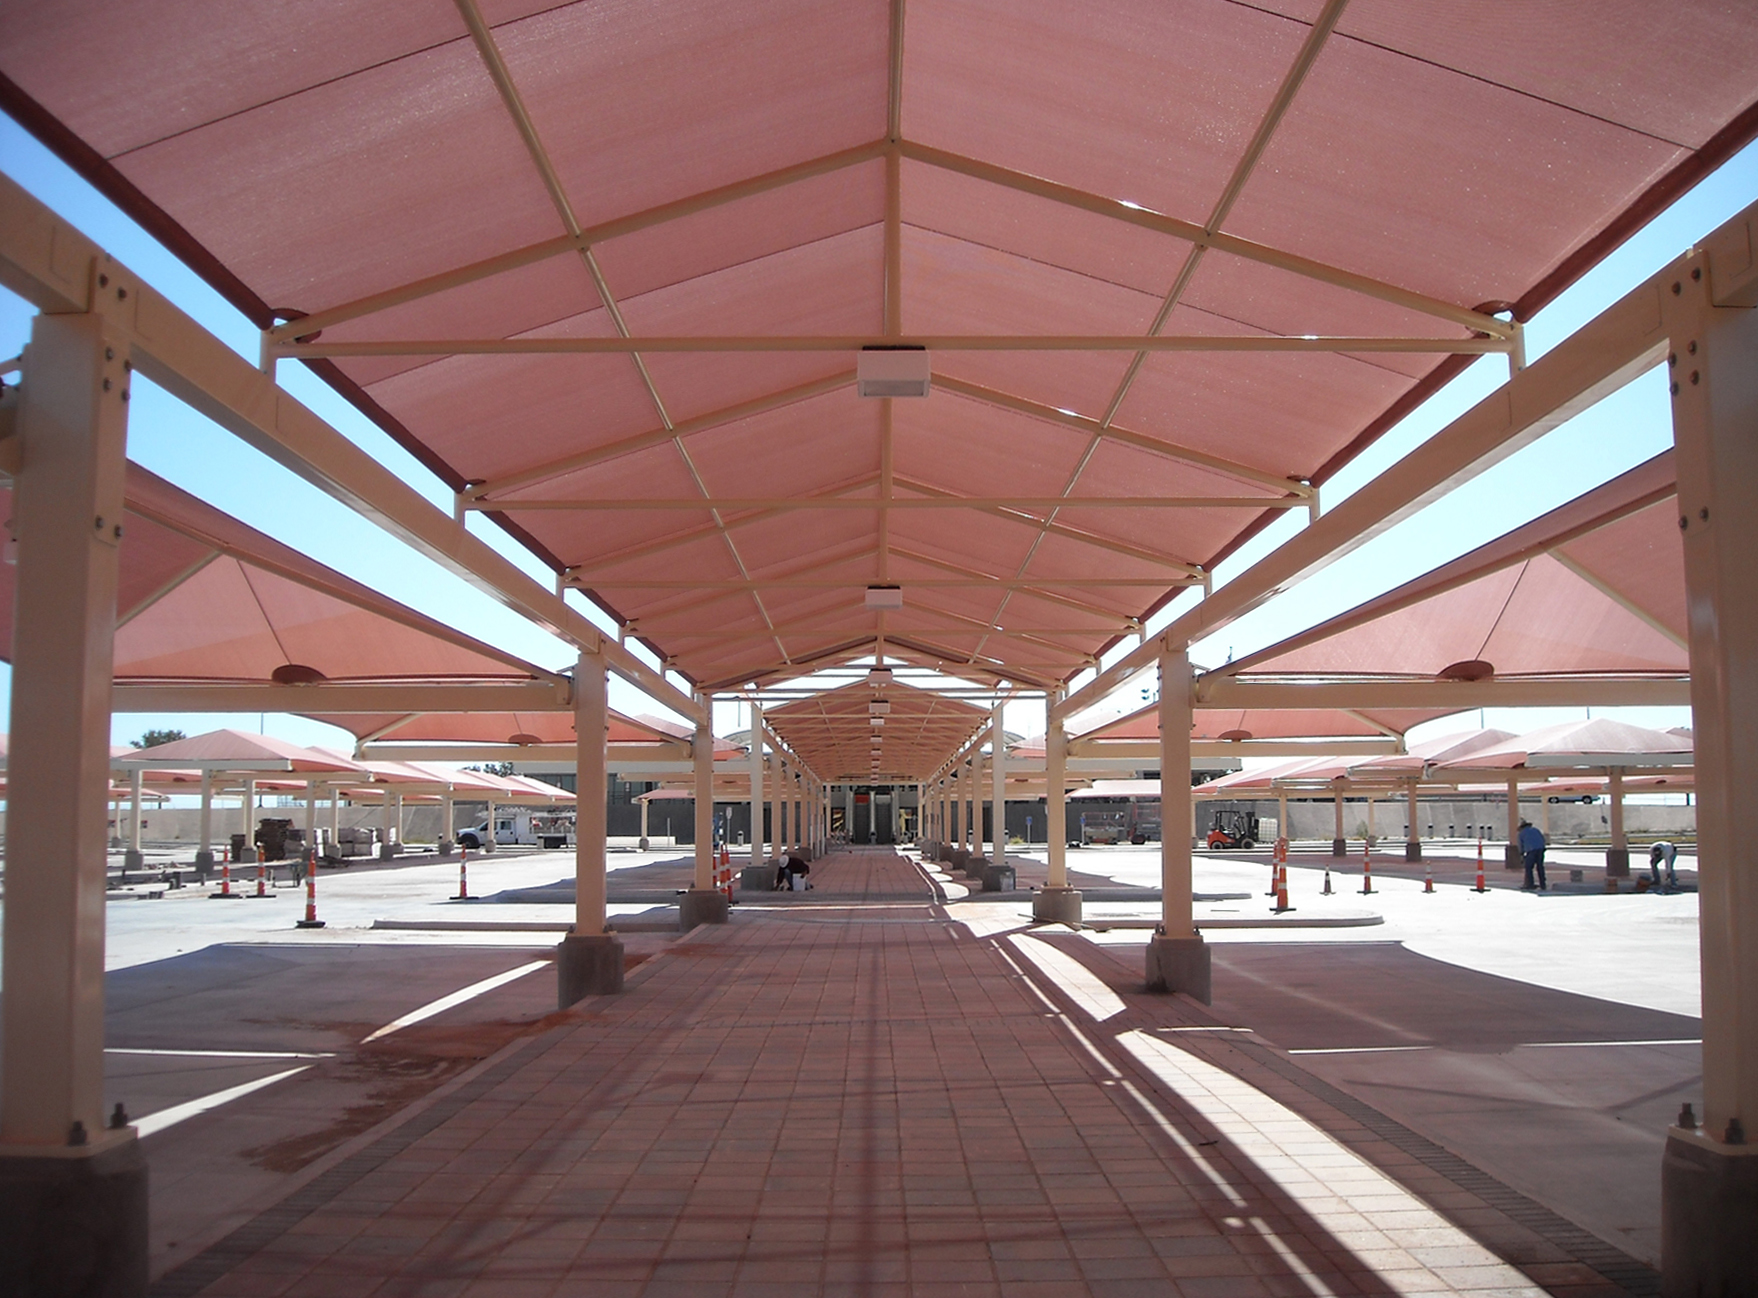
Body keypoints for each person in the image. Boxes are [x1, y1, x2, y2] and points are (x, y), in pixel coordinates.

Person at [1517, 819, 1547, 891]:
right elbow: (1543, 839)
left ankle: (1530, 884)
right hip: (1540, 849)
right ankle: (1543, 884)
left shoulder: (1522, 833)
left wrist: (1521, 854)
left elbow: (1520, 845)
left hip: (1531, 850)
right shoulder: (1536, 830)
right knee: (1540, 867)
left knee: (1529, 868)